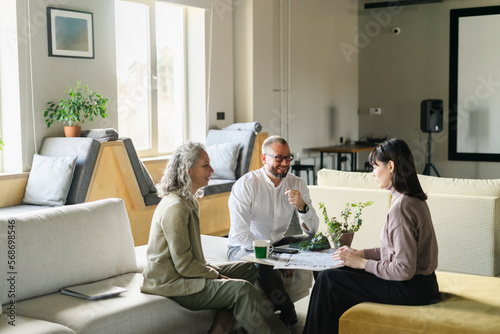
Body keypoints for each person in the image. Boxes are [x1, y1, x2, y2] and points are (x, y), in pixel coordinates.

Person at [141, 141, 289, 334]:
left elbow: (191, 261)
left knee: (249, 268)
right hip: (171, 283)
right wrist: (216, 275)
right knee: (240, 289)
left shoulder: (188, 201)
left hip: (185, 274)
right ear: (188, 170)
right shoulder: (175, 207)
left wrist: (212, 271)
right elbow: (184, 265)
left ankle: (218, 330)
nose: (212, 170)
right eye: (205, 165)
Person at [303, 138, 440, 334]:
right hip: (424, 285)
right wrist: (360, 253)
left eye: (375, 167)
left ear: (390, 166)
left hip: (411, 290)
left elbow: (404, 269)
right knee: (330, 269)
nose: (373, 173)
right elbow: (394, 251)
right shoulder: (411, 199)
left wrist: (362, 264)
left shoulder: (401, 207)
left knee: (329, 280)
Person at [227, 135, 319, 328]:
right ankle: (287, 310)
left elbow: (312, 229)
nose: (285, 163)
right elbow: (240, 234)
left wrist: (302, 207)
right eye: (278, 158)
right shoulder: (246, 185)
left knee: (318, 243)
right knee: (263, 263)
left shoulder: (297, 184)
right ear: (264, 158)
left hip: (277, 243)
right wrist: (276, 256)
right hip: (243, 247)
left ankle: (323, 305)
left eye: (288, 157)